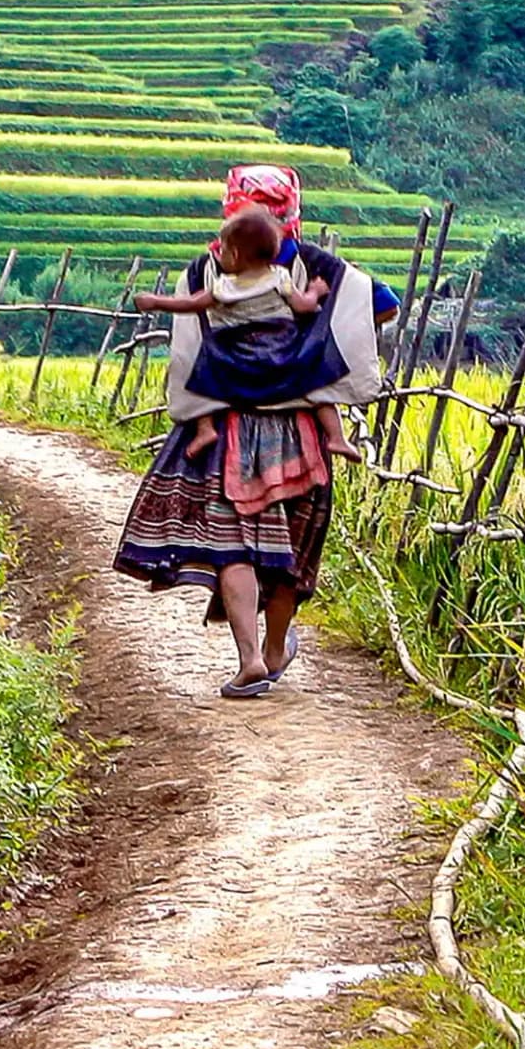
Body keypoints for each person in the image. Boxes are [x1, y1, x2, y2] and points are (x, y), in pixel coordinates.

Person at [111, 166, 399, 699]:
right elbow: (381, 306)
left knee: (233, 546)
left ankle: (248, 659)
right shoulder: (322, 270)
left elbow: (188, 347)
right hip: (304, 431)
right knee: (289, 551)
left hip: (230, 432)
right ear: (294, 216)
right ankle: (274, 648)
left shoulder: (206, 273)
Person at [134, 205, 331, 455]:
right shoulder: (280, 277)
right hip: (281, 351)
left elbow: (191, 304)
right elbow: (304, 306)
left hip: (236, 354)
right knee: (316, 373)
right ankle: (335, 435)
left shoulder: (224, 286)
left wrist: (155, 301)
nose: (219, 255)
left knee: (202, 367)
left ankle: (205, 428)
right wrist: (316, 291)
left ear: (235, 255)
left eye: (223, 250)